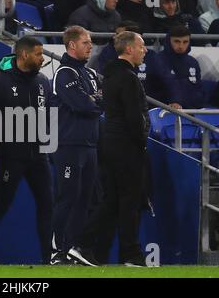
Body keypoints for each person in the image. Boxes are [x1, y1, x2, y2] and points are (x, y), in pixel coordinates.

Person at [68, 31, 150, 267]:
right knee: (129, 201)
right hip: (126, 146)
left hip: (111, 144)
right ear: (129, 49)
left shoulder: (111, 76)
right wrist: (142, 139)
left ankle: (82, 245)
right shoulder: (129, 78)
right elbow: (135, 117)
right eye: (141, 46)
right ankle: (131, 254)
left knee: (112, 202)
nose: (144, 50)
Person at [0, 36, 53, 264]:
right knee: (2, 203)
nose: (42, 59)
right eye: (39, 54)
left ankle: (49, 259)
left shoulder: (43, 82)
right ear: (24, 55)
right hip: (12, 157)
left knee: (48, 204)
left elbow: (48, 116)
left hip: (39, 156)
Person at [49, 26, 103, 265]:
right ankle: (56, 250)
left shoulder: (89, 74)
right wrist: (94, 101)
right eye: (85, 42)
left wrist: (94, 100)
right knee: (67, 197)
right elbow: (84, 105)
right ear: (72, 45)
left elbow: (101, 100)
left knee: (86, 199)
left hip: (90, 144)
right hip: (68, 144)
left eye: (90, 42)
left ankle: (72, 248)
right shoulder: (65, 73)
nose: (90, 46)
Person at [157, 25, 205, 109]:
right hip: (166, 110)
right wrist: (174, 101)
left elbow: (198, 88)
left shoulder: (193, 62)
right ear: (168, 41)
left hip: (193, 111)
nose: (181, 46)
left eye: (185, 42)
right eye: (177, 41)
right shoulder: (158, 61)